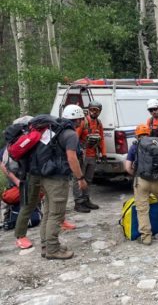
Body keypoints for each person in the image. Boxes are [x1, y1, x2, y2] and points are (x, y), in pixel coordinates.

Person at [1, 117, 75, 251]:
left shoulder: (33, 136)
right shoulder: (29, 138)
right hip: (28, 176)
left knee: (44, 203)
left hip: (34, 174)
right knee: (30, 205)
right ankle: (20, 236)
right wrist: (17, 181)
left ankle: (26, 236)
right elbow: (4, 165)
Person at [28, 105, 87, 259]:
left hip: (44, 177)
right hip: (57, 179)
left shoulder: (53, 131)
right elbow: (71, 158)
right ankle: (53, 250)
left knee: (48, 213)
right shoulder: (70, 135)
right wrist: (80, 178)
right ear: (78, 119)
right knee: (56, 215)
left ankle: (45, 245)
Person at [124, 124, 158, 245]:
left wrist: (135, 174)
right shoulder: (156, 144)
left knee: (142, 209)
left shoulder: (134, 147)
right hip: (157, 180)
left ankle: (146, 237)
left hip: (141, 181)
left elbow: (127, 167)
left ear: (137, 135)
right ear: (148, 133)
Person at [72, 100, 107, 213]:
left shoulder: (98, 123)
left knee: (88, 179)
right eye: (92, 109)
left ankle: (86, 199)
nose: (94, 112)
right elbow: (75, 138)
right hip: (82, 155)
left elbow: (101, 139)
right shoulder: (83, 122)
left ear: (99, 112)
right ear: (88, 110)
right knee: (79, 179)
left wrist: (104, 153)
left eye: (96, 110)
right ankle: (79, 203)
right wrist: (76, 154)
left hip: (92, 155)